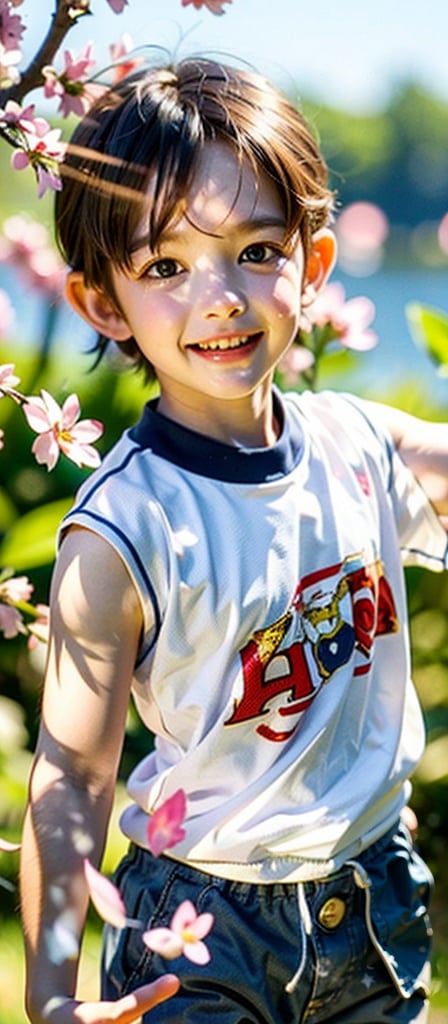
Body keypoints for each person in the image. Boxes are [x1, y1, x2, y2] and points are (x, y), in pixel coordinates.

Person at [20, 57, 448, 1024]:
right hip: (201, 931)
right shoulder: (125, 528)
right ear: (100, 302)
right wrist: (50, 990)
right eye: (166, 266)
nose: (219, 297)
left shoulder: (361, 445)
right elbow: (72, 774)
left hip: (373, 901)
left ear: (315, 265)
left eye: (258, 251)